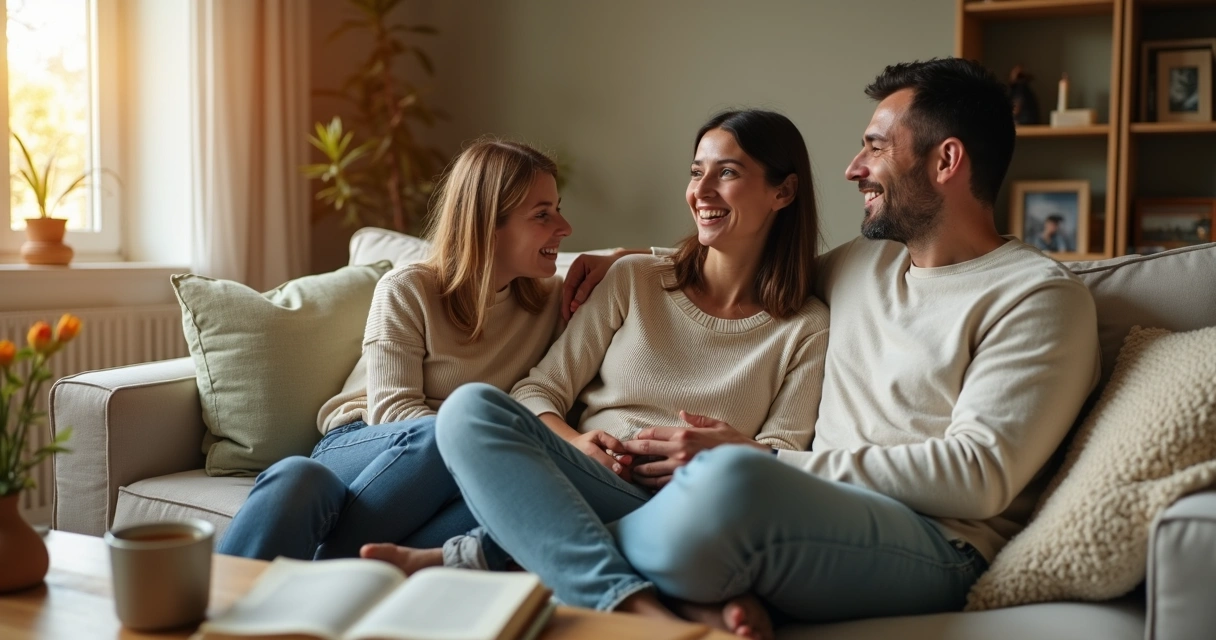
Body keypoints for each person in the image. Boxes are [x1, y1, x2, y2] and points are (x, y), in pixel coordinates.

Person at [556, 58, 1100, 636]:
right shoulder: (866, 262)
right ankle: (676, 588)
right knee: (477, 415)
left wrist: (763, 459)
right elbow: (744, 263)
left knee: (726, 481)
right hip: (796, 506)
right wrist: (631, 259)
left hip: (931, 542)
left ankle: (531, 545)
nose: (852, 169)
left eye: (876, 148)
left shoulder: (1037, 298)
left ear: (946, 160)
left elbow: (979, 474)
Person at [412, 109, 828, 639]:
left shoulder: (806, 326)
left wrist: (715, 454)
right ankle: (659, 607)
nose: (702, 190)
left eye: (727, 172)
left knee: (682, 518)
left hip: (694, 508)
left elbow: (781, 452)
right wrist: (575, 441)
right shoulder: (634, 279)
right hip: (593, 479)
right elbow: (538, 390)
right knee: (470, 409)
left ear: (784, 192)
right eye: (696, 171)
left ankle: (486, 558)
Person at [216, 139, 573, 562]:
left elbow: (657, 271)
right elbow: (392, 410)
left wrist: (619, 258)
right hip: (368, 441)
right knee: (311, 473)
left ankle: (324, 576)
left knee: (513, 508)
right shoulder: (409, 288)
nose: (564, 227)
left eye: (558, 208)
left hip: (462, 471)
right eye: (543, 215)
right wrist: (474, 440)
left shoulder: (553, 299)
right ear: (488, 223)